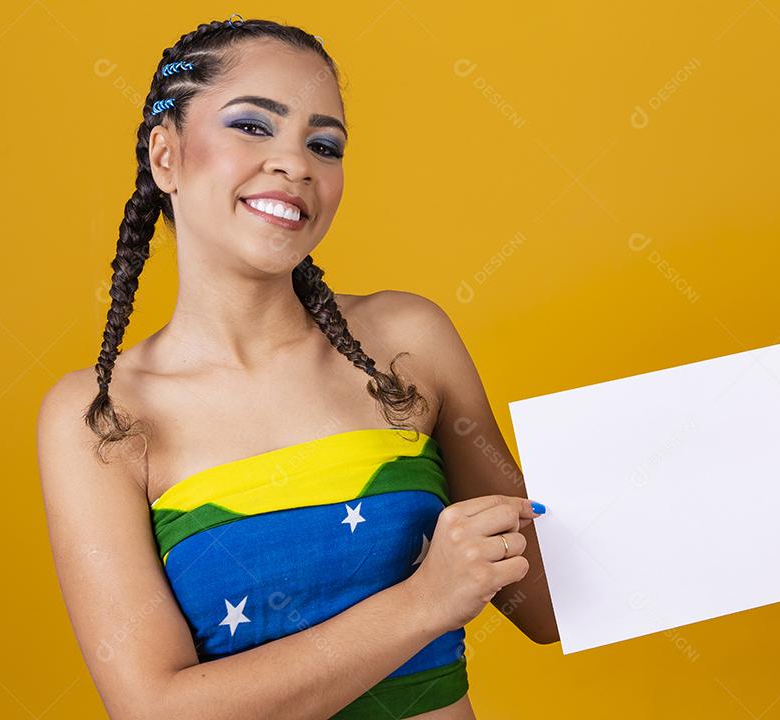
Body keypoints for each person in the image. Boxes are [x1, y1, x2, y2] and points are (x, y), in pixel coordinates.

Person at [36, 15, 558, 720]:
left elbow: (549, 607)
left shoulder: (408, 342)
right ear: (166, 156)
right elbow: (156, 710)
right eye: (253, 126)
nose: (297, 163)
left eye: (324, 144)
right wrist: (425, 602)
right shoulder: (102, 417)